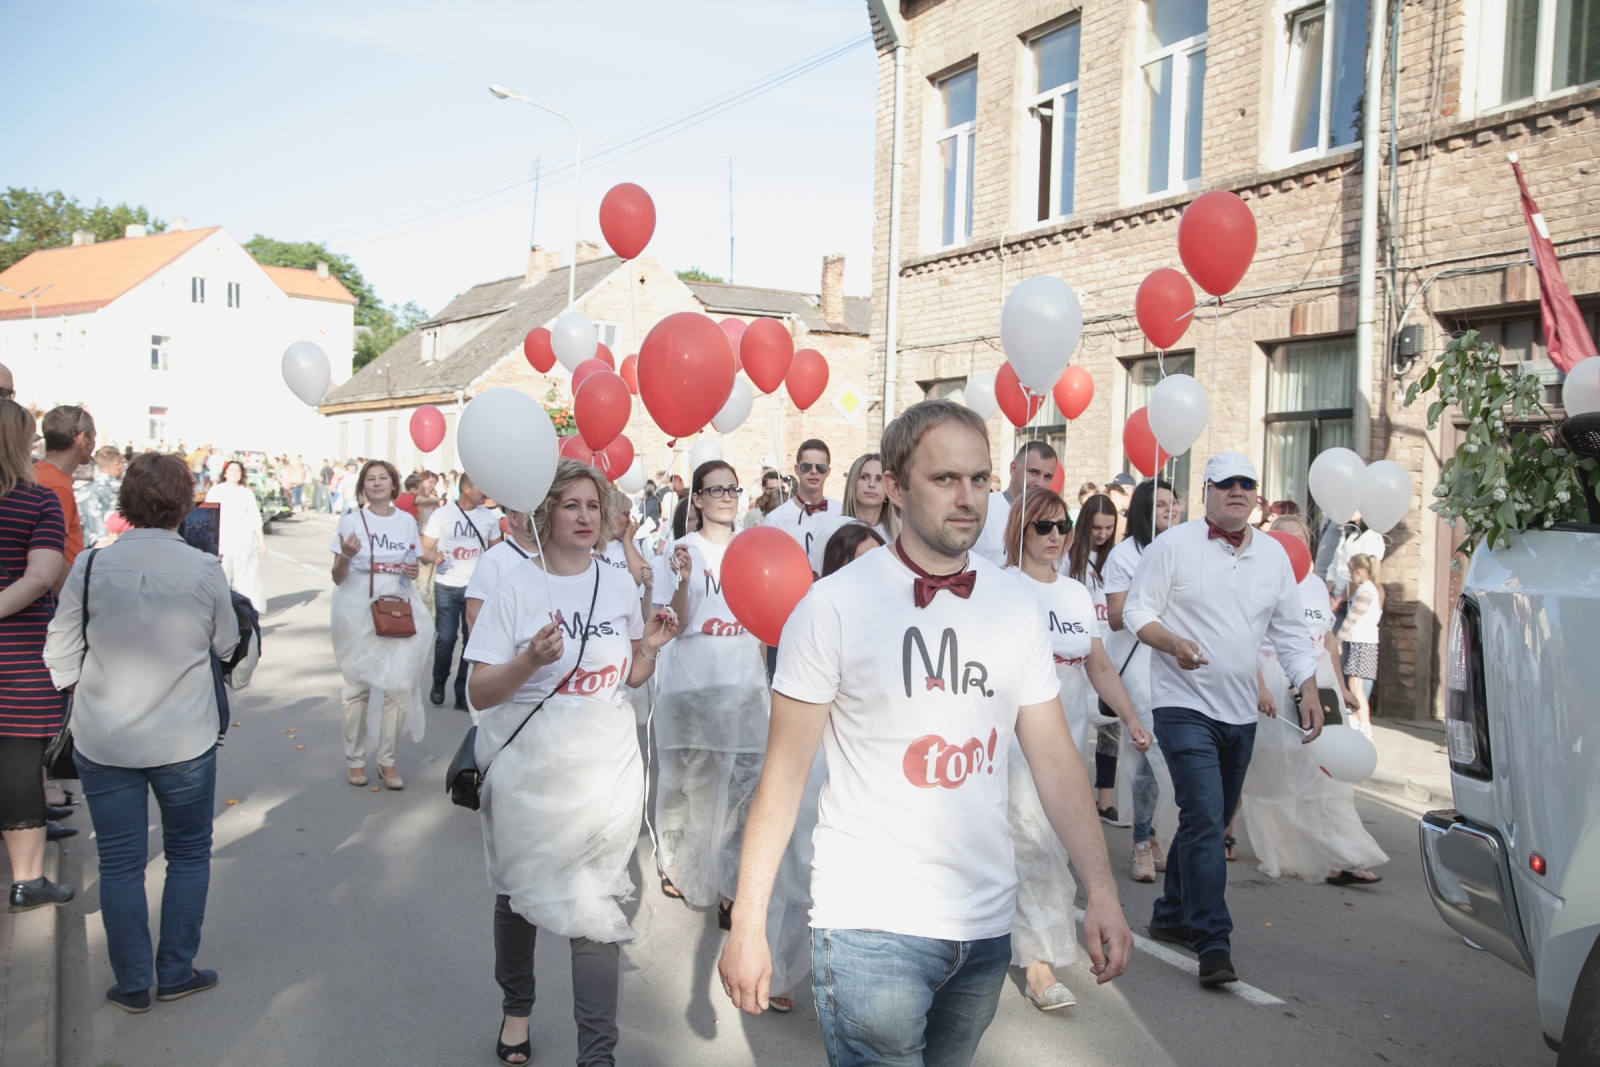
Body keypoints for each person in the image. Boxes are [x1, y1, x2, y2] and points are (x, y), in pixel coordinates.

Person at [719, 400, 1131, 1064]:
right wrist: (749, 923)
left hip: (984, 925)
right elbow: (784, 775)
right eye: (945, 479)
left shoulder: (1014, 603)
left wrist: (1102, 889)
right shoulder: (834, 606)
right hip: (869, 924)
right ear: (895, 487)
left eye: (979, 478)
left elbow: (1054, 758)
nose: (967, 498)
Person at [464, 459, 678, 1067]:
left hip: (606, 768)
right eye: (572, 505)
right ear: (545, 513)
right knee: (519, 896)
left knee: (596, 905)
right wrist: (529, 660)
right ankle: (517, 1010)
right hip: (528, 772)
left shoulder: (616, 581)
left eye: (594, 506)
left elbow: (628, 675)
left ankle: (598, 1055)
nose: (586, 517)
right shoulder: (514, 587)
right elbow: (479, 693)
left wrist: (652, 650)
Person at [45, 451, 238, 1013]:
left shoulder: (92, 565)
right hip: (184, 737)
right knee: (187, 853)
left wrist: (81, 691)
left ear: (128, 502)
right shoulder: (204, 569)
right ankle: (174, 970)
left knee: (121, 862)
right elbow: (226, 645)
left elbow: (59, 648)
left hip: (104, 735)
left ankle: (132, 982)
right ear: (185, 504)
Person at [1122, 453, 1326, 988]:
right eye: (1226, 483)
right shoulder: (1174, 546)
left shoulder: (1274, 558)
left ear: (1257, 496)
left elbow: (1288, 632)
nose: (1237, 491)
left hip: (1240, 713)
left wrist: (1307, 687)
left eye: (1247, 484)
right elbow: (1137, 611)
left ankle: (1169, 916)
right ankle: (1213, 942)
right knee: (1209, 817)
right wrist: (1172, 643)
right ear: (1207, 491)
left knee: (1201, 822)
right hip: (1181, 704)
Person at [1001, 487, 1150, 1011]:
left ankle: (1018, 937)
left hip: (1071, 739)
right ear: (1021, 529)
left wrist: (1130, 718)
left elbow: (1099, 664)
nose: (1055, 536)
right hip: (1017, 742)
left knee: (1059, 842)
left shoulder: (1073, 594)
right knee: (1031, 840)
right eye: (1043, 526)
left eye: (1062, 526)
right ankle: (1038, 962)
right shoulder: (1002, 588)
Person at [652, 461, 770, 929]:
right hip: (692, 688)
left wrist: (762, 675)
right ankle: (677, 862)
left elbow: (766, 618)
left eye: (732, 489)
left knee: (745, 789)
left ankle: (729, 888)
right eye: (714, 489)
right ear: (696, 499)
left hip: (742, 683)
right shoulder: (681, 550)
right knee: (687, 786)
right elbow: (672, 626)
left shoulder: (756, 548)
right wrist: (682, 581)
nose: (726, 496)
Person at [1239, 515, 1386, 886]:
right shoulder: (1256, 583)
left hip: (1319, 683)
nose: (1291, 549)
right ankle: (1284, 848)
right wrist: (1259, 685)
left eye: (1299, 541)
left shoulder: (1318, 585)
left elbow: (1329, 640)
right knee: (1279, 770)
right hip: (1275, 679)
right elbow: (1246, 639)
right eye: (1282, 540)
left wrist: (1343, 687)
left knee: (1327, 772)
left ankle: (1345, 856)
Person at [0, 400, 71, 914]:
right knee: (19, 766)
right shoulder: (37, 501)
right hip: (18, 653)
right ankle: (27, 881)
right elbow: (43, 575)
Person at [330, 460, 430, 789]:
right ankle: (354, 759)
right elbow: (337, 576)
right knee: (357, 688)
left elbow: (410, 565)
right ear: (362, 487)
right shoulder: (350, 521)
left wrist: (412, 571)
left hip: (398, 608)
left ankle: (387, 761)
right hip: (356, 610)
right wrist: (345, 554)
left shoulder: (405, 521)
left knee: (398, 685)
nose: (376, 484)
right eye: (370, 479)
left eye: (382, 478)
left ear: (393, 485)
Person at [1104, 478, 1180, 880]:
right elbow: (1116, 618)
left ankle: (1154, 835)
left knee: (1163, 752)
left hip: (1175, 658)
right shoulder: (1124, 555)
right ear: (1144, 511)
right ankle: (1141, 843)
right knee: (1152, 746)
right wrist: (1146, 588)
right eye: (1162, 504)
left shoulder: (1185, 548)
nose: (1171, 510)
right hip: (1138, 662)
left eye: (1175, 503)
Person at [423, 474, 502, 711]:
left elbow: (497, 552)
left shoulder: (489, 518)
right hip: (447, 584)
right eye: (480, 486)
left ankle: (462, 693)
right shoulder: (442, 514)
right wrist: (433, 556)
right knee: (446, 638)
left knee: (472, 644)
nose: (485, 492)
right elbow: (425, 546)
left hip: (477, 590)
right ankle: (439, 681)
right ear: (466, 489)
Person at [1067, 493, 1121, 819]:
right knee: (1075, 729)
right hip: (1078, 657)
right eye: (1096, 527)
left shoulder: (1115, 559)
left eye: (1108, 528)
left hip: (1109, 653)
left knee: (1110, 727)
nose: (1101, 534)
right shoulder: (1070, 559)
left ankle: (1105, 798)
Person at [971, 441, 1057, 566]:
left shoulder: (1052, 520)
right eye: (1034, 472)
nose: (1040, 483)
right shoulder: (983, 508)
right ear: (1013, 468)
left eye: (1047, 477)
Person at [35, 405, 95, 571]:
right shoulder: (56, 485)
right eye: (93, 437)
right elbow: (53, 554)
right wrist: (72, 594)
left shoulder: (40, 473)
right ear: (81, 438)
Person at [762, 439, 842, 559]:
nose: (814, 471)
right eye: (806, 466)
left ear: (828, 471)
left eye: (821, 467)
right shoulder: (776, 520)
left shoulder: (841, 513)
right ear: (796, 469)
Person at [204, 460, 266, 611]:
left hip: (244, 544)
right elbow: (207, 516)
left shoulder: (246, 493)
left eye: (237, 471)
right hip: (222, 543)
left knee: (245, 580)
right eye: (231, 470)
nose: (234, 473)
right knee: (221, 578)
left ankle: (245, 610)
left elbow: (254, 517)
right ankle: (220, 609)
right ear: (225, 473)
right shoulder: (215, 491)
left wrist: (261, 540)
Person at [1336, 554, 1383, 736]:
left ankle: (1364, 724)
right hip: (1364, 641)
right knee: (1356, 684)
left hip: (1362, 641)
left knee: (1356, 686)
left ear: (1358, 571)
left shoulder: (1366, 591)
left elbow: (1352, 618)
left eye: (1351, 573)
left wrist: (1338, 639)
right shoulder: (1372, 589)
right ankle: (1357, 719)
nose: (1351, 578)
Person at [839, 452, 899, 543]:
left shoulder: (900, 537)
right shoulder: (833, 529)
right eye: (864, 477)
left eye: (879, 479)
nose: (871, 484)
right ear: (853, 483)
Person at [77, 446, 125, 547]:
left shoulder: (82, 490)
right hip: (113, 545)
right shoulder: (122, 489)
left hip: (84, 545)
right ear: (117, 465)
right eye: (123, 463)